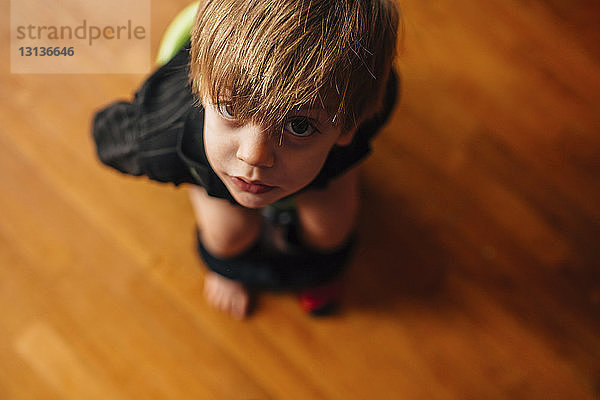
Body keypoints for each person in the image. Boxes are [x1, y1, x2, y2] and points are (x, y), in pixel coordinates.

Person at [93, 0, 400, 319]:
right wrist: (186, 172)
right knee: (228, 234)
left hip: (329, 160)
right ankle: (228, 266)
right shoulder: (160, 130)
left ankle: (315, 271)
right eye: (229, 109)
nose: (253, 155)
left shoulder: (366, 98)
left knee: (330, 227)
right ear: (199, 88)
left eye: (299, 125)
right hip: (208, 165)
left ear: (349, 126)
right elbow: (111, 136)